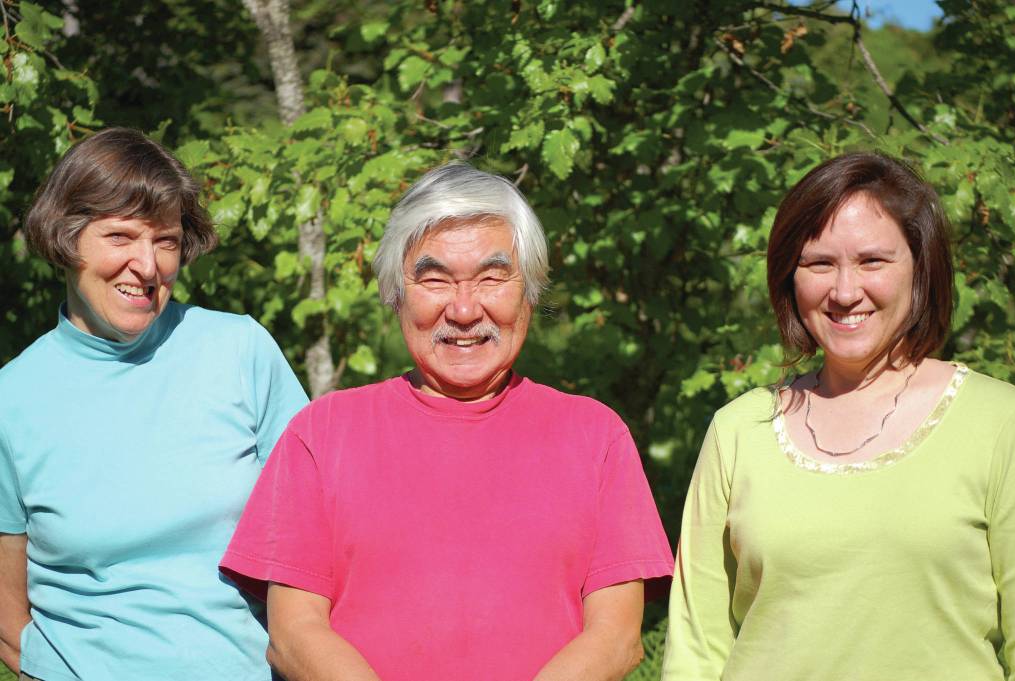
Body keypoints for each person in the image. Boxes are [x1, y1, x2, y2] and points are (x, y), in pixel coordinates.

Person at [220, 162, 675, 681]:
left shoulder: (596, 436)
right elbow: (293, 634)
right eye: (434, 279)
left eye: (491, 277)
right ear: (395, 293)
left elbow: (617, 640)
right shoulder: (321, 433)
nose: (463, 310)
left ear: (530, 291)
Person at [661, 152, 1015, 680]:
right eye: (819, 263)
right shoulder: (739, 431)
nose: (845, 291)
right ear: (790, 277)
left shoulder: (1002, 423)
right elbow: (696, 649)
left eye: (873, 261)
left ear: (921, 269)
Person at [0, 128, 308, 681]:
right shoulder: (12, 399)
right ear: (66, 239)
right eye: (121, 236)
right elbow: (5, 602)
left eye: (165, 241)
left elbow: (316, 537)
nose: (147, 266)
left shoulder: (240, 351)